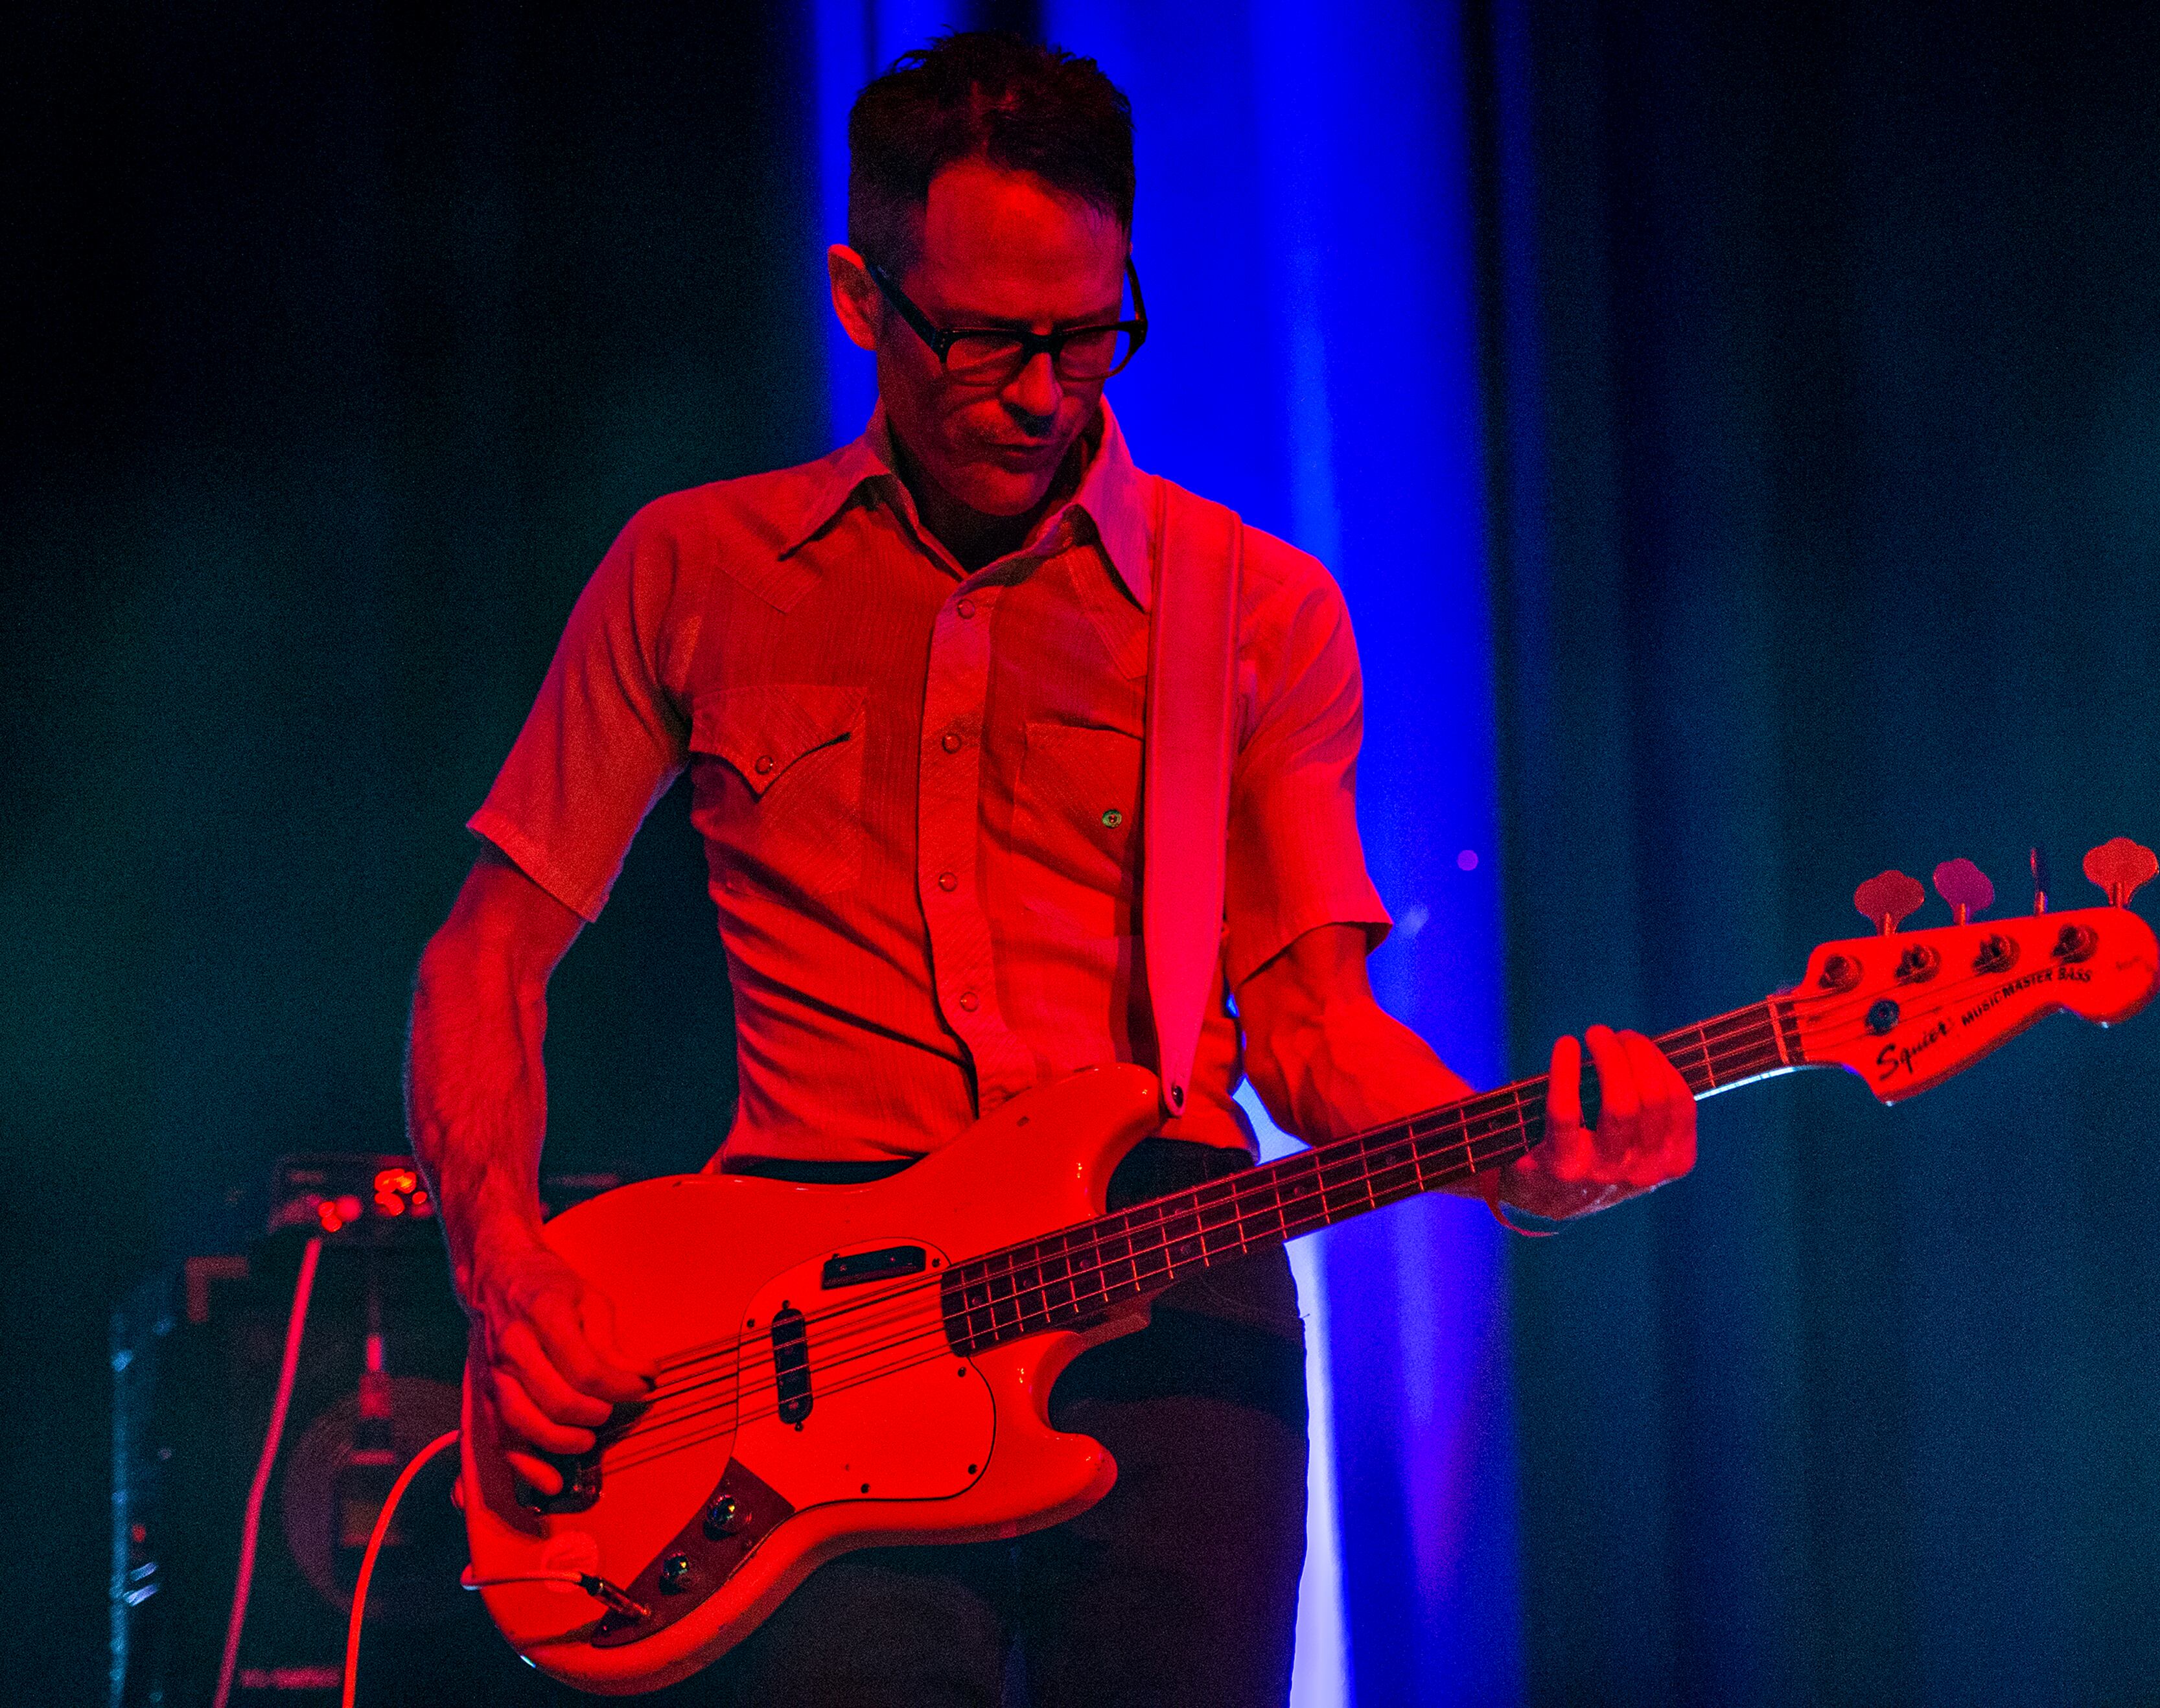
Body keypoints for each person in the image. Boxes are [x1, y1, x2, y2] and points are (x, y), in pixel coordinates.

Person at [406, 30, 1695, 1708]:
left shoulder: (1254, 610)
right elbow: (487, 953)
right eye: (986, 339)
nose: (1042, 392)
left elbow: (1313, 1031)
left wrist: (1515, 1155)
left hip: (1172, 1287)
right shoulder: (697, 571)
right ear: (862, 298)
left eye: (1089, 336)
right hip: (811, 1325)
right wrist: (508, 1269)